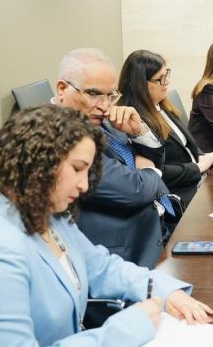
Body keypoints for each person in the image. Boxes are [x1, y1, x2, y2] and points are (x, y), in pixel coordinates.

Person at [0, 105, 213, 346]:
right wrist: (127, 329)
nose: (84, 185)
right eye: (77, 169)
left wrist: (164, 291)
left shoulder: (46, 210)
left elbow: (101, 267)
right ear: (36, 163)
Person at [55, 48, 170, 268]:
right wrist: (149, 170)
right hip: (127, 253)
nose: (105, 106)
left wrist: (138, 132)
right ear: (62, 89)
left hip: (156, 229)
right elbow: (134, 190)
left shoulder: (103, 119)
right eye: (93, 93)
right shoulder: (60, 135)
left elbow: (157, 163)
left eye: (110, 95)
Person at [118, 50, 213, 211]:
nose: (167, 82)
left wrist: (205, 158)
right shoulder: (134, 123)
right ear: (139, 84)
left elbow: (186, 144)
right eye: (160, 79)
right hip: (179, 194)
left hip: (198, 179)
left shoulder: (161, 105)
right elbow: (158, 172)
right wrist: (198, 167)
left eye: (166, 75)